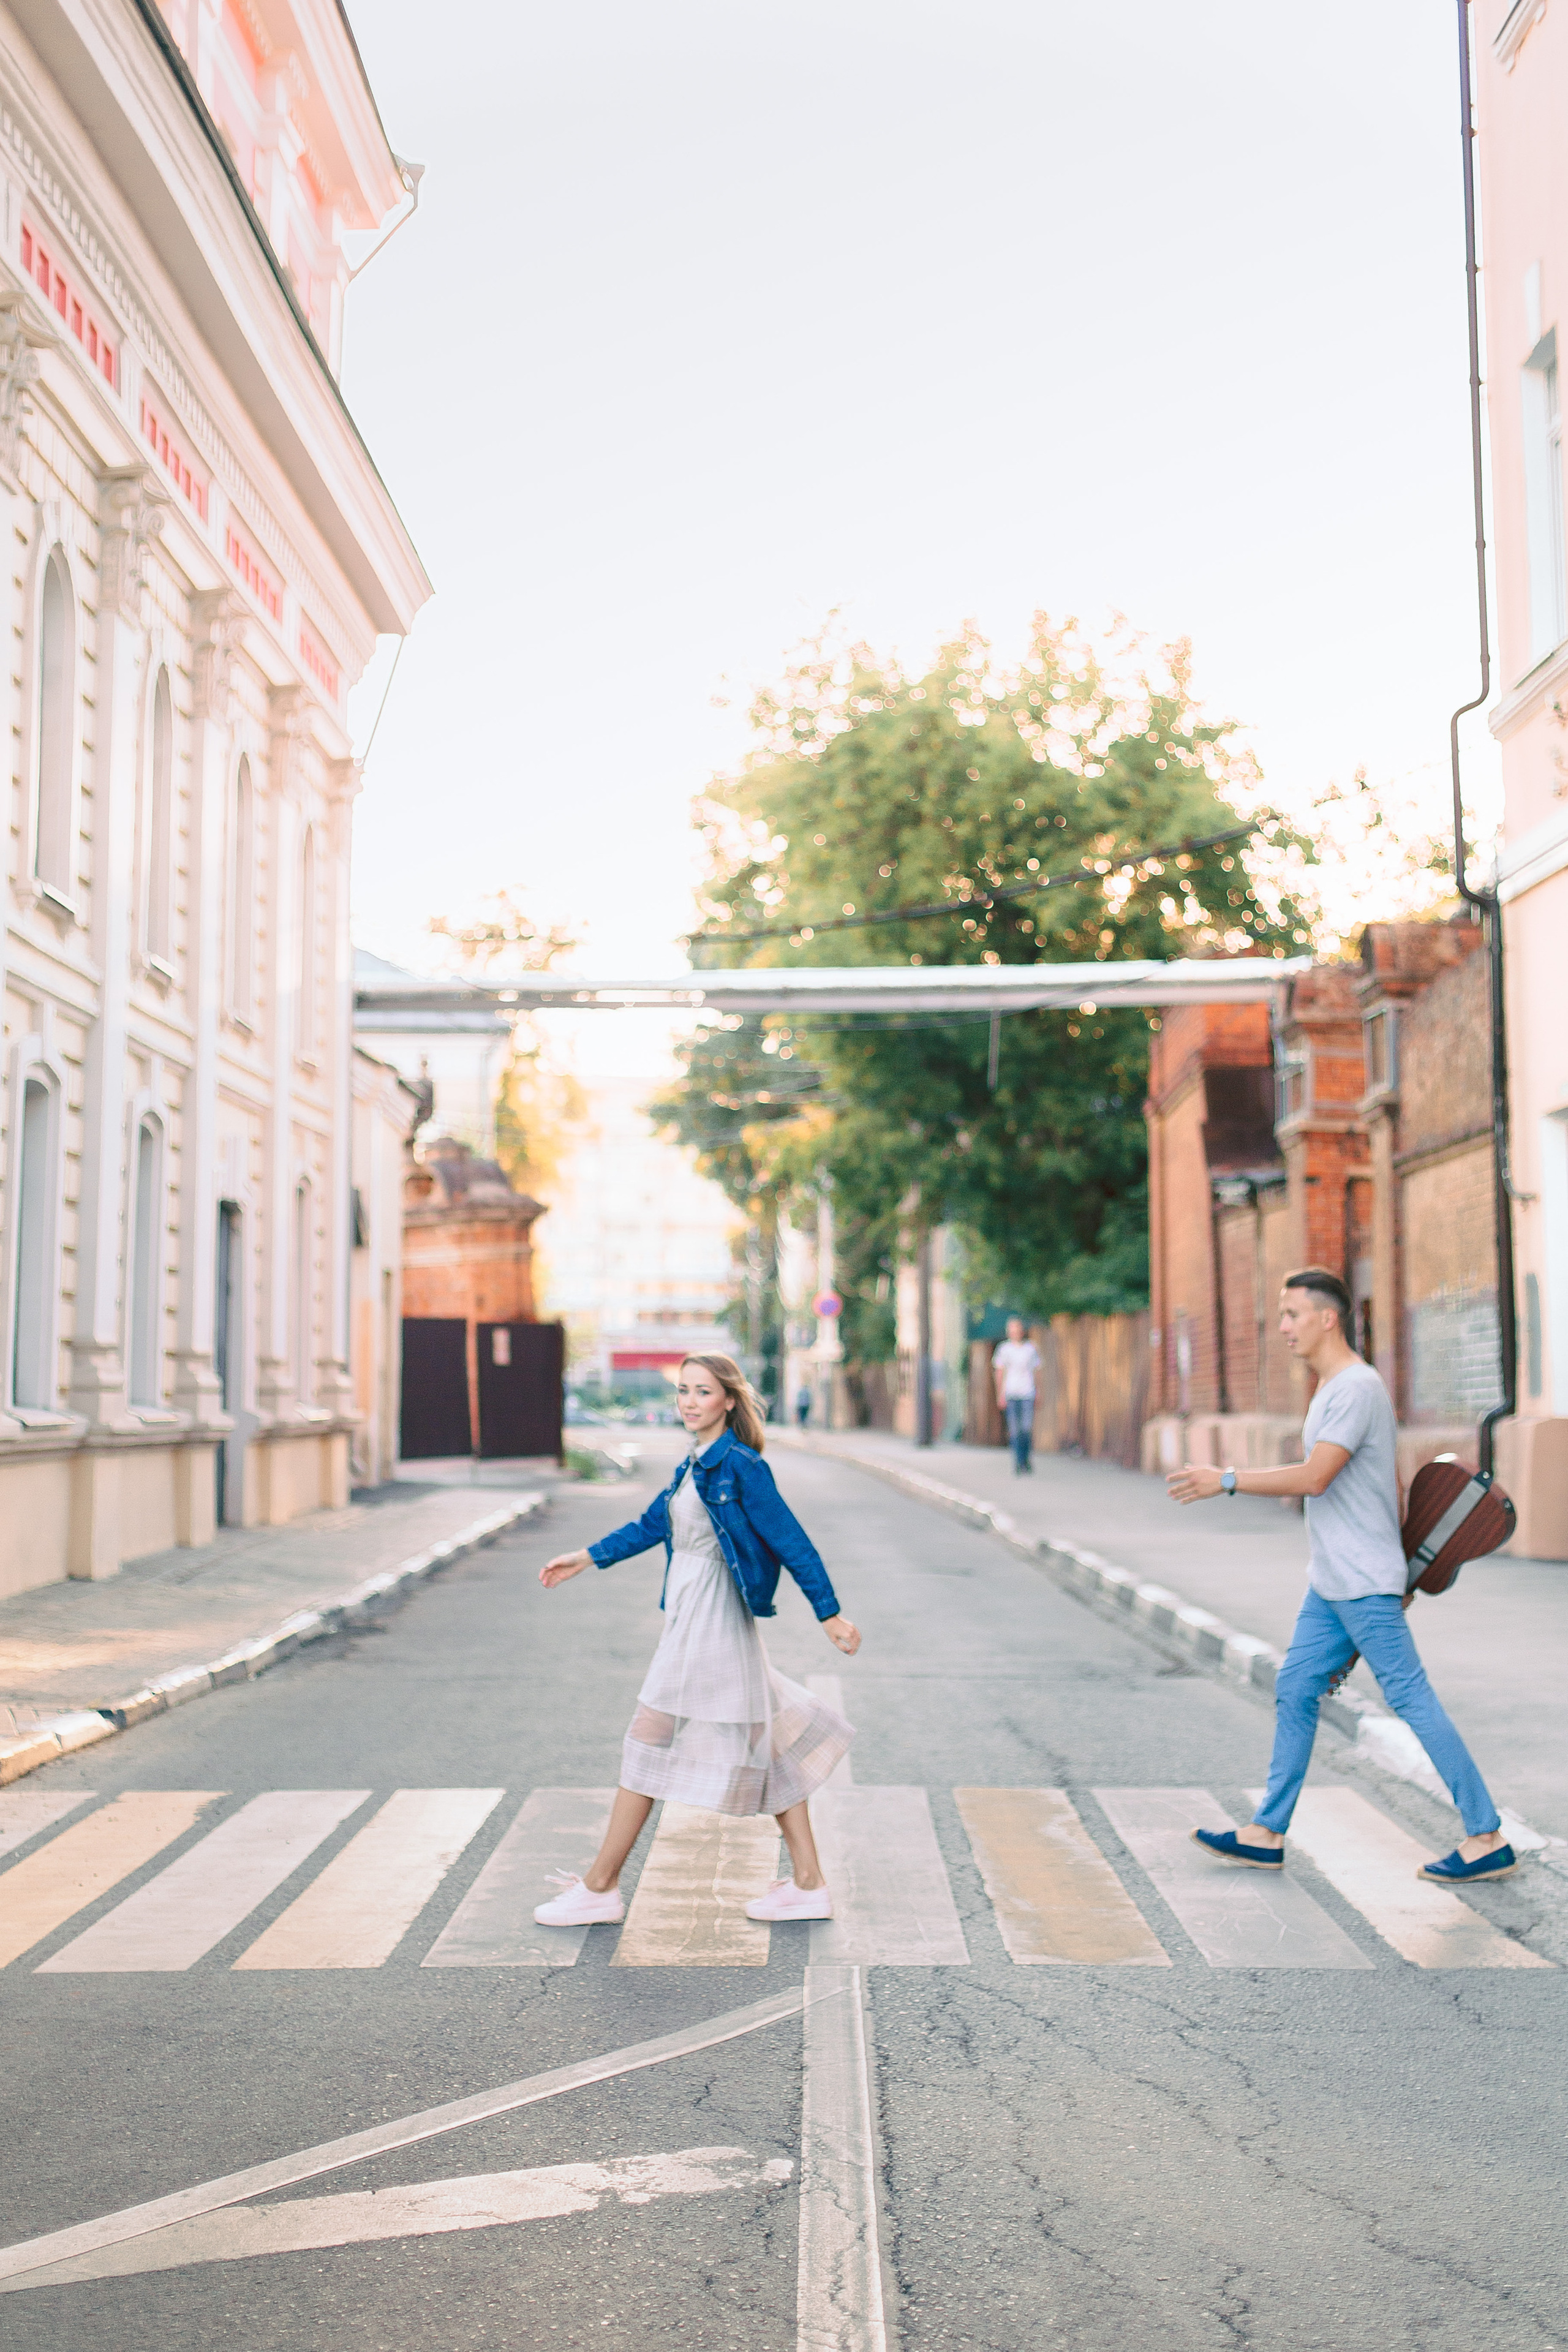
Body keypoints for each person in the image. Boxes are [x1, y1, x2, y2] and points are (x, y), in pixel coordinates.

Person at [1167, 1267, 1513, 1885]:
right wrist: (1401, 1568)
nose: (1282, 1328)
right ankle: (1266, 1832)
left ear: (1326, 1318)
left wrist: (1225, 1479)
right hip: (1336, 1581)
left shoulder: (1354, 1388)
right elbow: (1392, 1488)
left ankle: (1483, 1834)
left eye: (1291, 1314)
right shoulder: (1336, 1387)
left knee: (1410, 1697)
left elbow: (1316, 1476)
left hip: (1358, 1581)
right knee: (1297, 1688)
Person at [533, 1351, 860, 1929]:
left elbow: (792, 1541)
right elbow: (652, 1526)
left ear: (729, 1401)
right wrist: (584, 1558)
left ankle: (600, 1886)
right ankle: (809, 1884)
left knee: (648, 1736)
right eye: (683, 1390)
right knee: (767, 1742)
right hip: (693, 1615)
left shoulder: (740, 1466)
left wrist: (828, 1614)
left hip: (713, 1617)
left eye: (703, 1391)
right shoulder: (693, 1465)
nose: (689, 1401)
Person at [992, 1316, 1041, 1475]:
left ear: (1022, 1331)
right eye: (1013, 1330)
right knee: (1015, 1430)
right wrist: (1000, 1394)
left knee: (1026, 1429)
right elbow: (999, 1372)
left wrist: (1038, 1391)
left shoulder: (1030, 1349)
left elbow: (1037, 1371)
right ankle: (1018, 1462)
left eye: (1018, 1329)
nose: (1016, 1332)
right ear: (1009, 1332)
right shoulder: (1004, 1349)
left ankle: (1026, 1458)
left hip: (1027, 1393)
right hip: (1011, 1394)